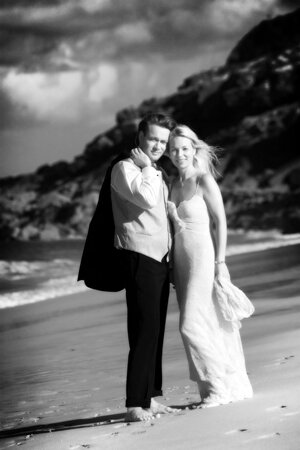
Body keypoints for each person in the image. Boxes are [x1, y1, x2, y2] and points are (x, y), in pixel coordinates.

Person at [167, 124, 253, 407]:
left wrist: (221, 262)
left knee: (189, 324)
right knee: (203, 321)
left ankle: (217, 386)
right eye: (174, 149)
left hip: (203, 257)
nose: (179, 154)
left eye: (184, 148)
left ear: (194, 149)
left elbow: (220, 222)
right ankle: (215, 389)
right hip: (181, 262)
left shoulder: (204, 180)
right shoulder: (171, 184)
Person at [110, 113, 178, 421]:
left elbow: (161, 213)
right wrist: (150, 168)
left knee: (156, 331)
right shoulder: (123, 168)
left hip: (159, 259)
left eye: (163, 142)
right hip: (138, 258)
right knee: (142, 332)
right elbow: (146, 198)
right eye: (153, 139)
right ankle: (134, 405)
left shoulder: (155, 171)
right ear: (139, 136)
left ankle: (151, 398)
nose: (159, 146)